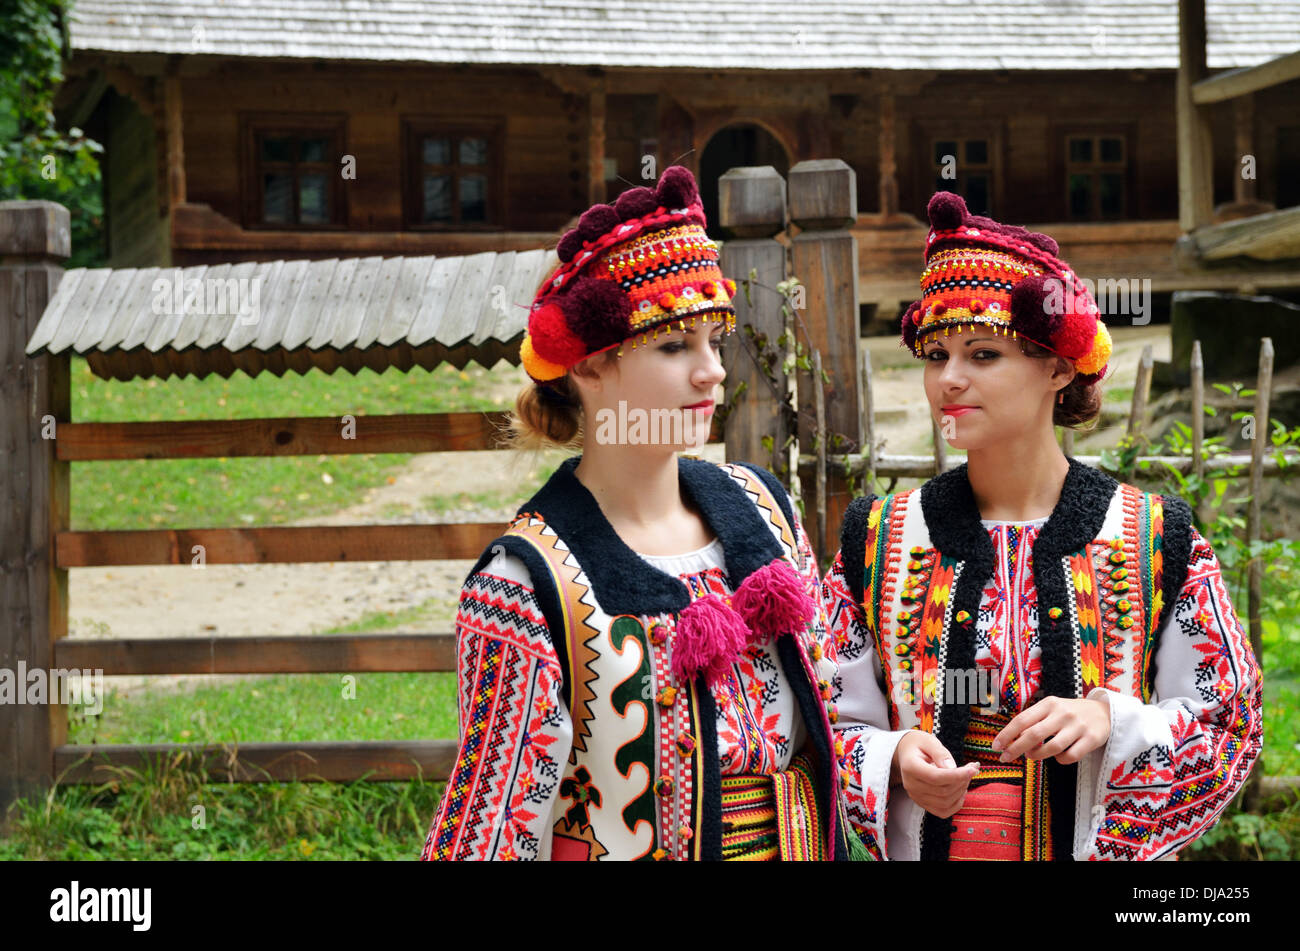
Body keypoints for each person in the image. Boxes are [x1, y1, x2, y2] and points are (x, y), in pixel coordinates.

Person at [420, 166, 859, 861]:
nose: (712, 369)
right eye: (675, 345)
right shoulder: (526, 584)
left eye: (714, 340)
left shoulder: (764, 510)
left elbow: (839, 704)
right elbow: (492, 829)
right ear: (590, 368)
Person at [822, 191, 1263, 861]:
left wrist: (1111, 719)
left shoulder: (1151, 536)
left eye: (983, 355)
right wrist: (892, 756)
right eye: (935, 354)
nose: (949, 379)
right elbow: (819, 716)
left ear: (1059, 366)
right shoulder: (878, 537)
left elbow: (1231, 722)